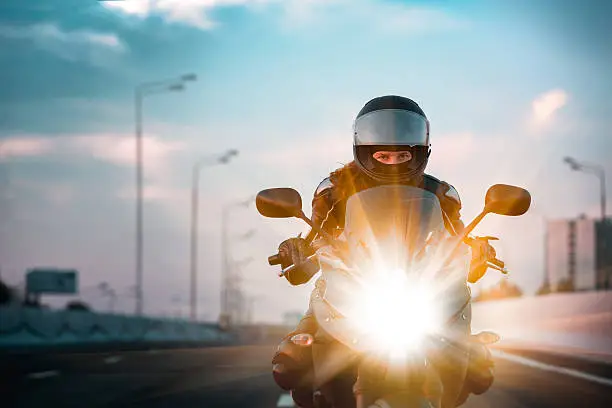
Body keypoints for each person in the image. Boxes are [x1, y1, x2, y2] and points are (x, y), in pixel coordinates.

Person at [272, 95, 496, 408]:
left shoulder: (440, 194)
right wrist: (295, 250)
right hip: (349, 288)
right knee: (293, 357)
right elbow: (314, 237)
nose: (392, 162)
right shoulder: (334, 190)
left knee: (473, 356)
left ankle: (458, 370)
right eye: (383, 156)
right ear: (364, 151)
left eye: (401, 156)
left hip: (421, 290)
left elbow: (459, 242)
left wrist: (478, 249)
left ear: (418, 152)